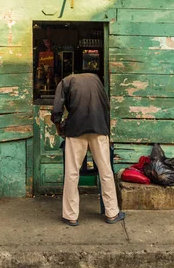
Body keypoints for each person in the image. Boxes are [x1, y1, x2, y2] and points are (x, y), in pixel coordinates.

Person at [51, 73, 125, 226]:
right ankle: (111, 213)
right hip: (99, 128)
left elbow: (57, 108)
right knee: (105, 171)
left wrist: (58, 126)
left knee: (72, 172)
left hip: (76, 129)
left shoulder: (64, 82)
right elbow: (107, 105)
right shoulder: (96, 79)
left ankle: (71, 215)